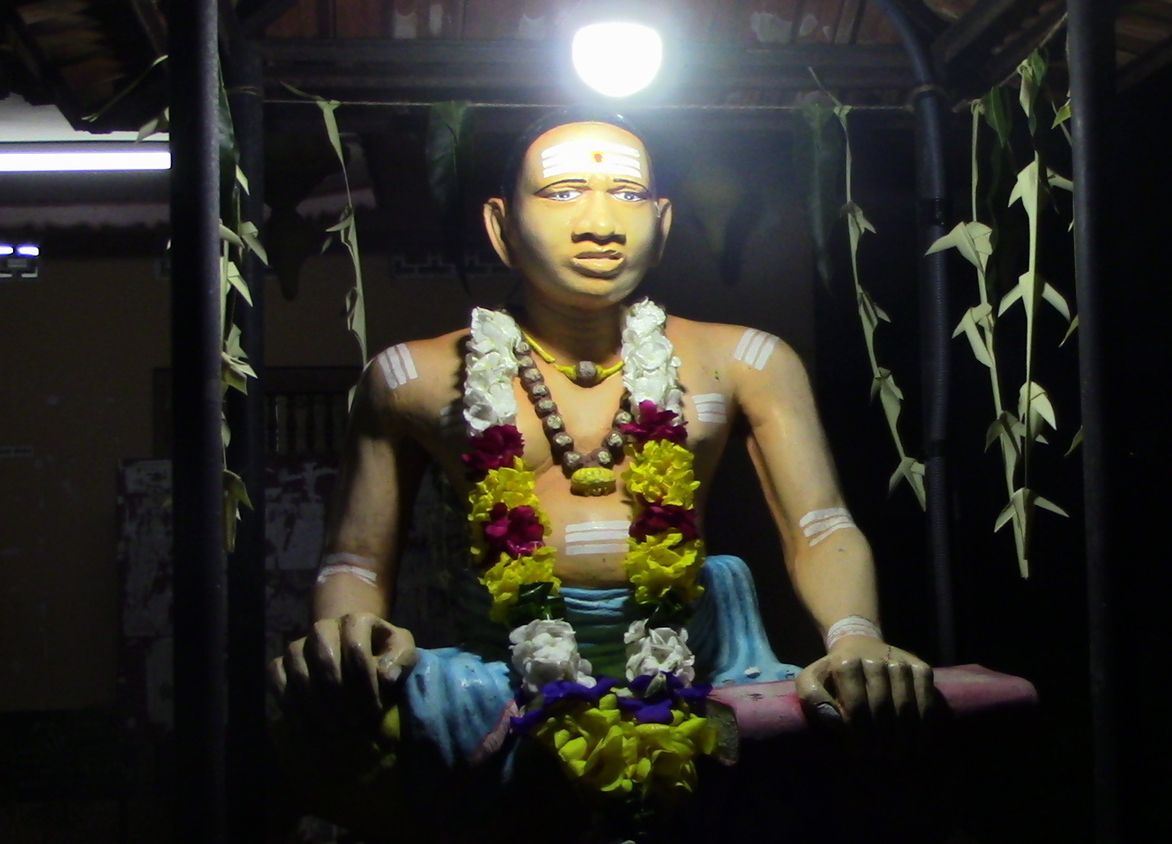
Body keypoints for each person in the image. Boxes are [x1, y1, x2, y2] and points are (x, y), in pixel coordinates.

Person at [269, 110, 937, 808]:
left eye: (628, 192)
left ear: (663, 222)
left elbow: (820, 526)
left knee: (844, 742)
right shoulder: (413, 376)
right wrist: (348, 637)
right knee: (339, 726)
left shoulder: (747, 360)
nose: (600, 223)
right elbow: (355, 560)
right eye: (562, 192)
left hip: (697, 660)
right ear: (500, 226)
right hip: (503, 670)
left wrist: (856, 640)